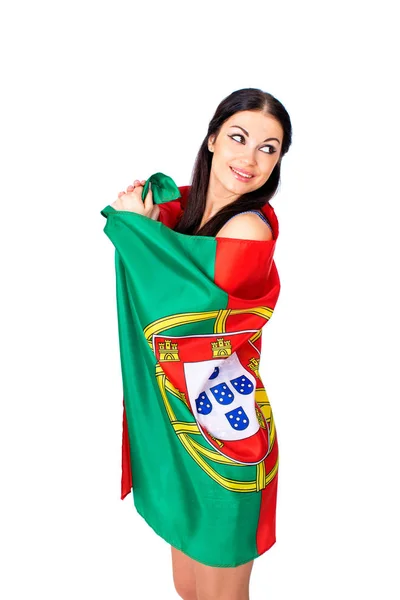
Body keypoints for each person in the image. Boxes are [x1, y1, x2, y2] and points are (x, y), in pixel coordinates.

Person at [109, 88, 292, 600]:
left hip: (224, 434)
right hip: (179, 424)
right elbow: (168, 267)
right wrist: (147, 227)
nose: (250, 158)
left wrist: (139, 233)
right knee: (189, 589)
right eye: (239, 137)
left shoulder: (247, 228)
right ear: (212, 138)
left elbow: (187, 322)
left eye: (268, 148)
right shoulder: (190, 216)